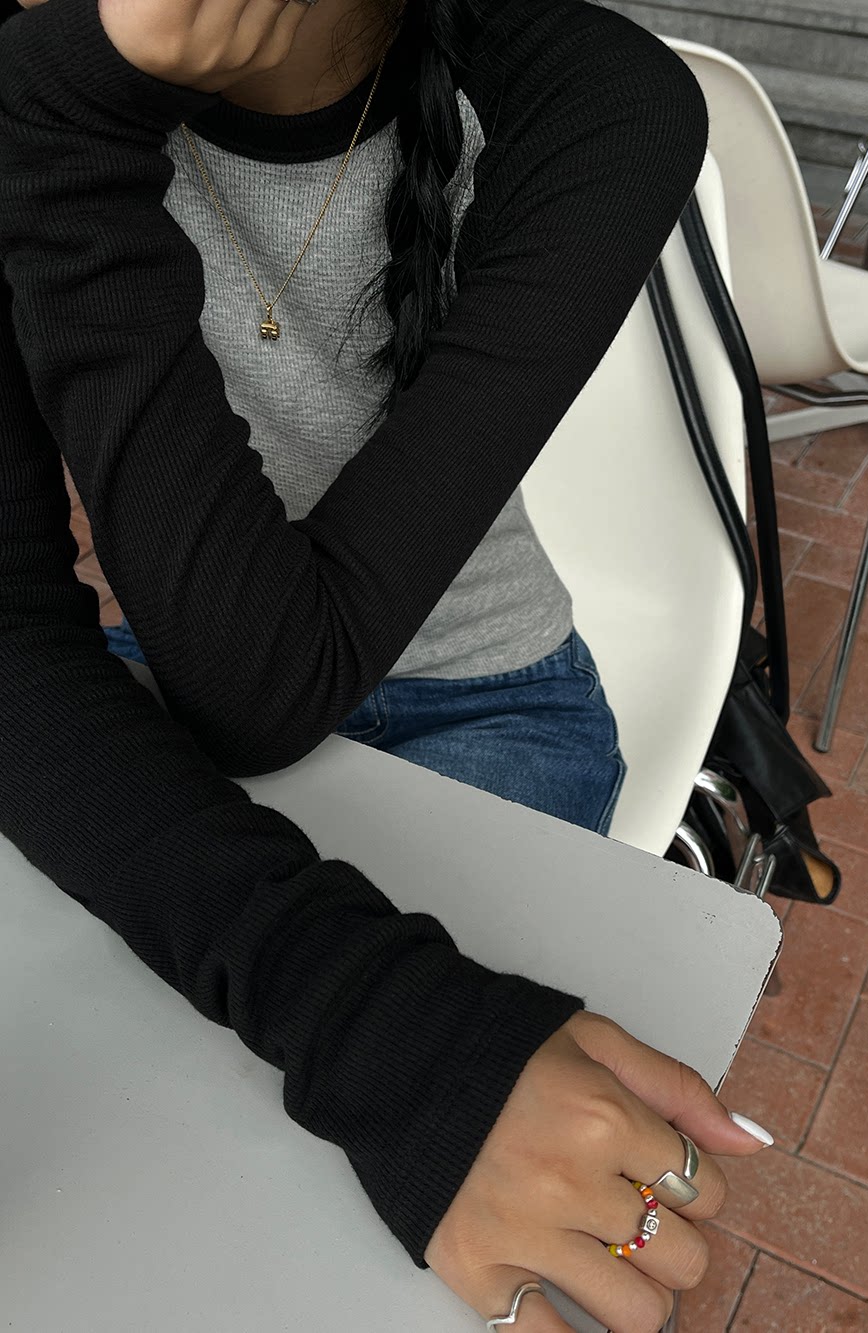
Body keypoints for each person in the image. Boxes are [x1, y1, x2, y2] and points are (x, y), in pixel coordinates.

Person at [0, 0, 773, 1328]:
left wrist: (54, 123)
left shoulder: (588, 96)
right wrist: (63, 105)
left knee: (342, 1252)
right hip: (180, 651)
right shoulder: (39, 86)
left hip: (479, 691)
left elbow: (259, 687)